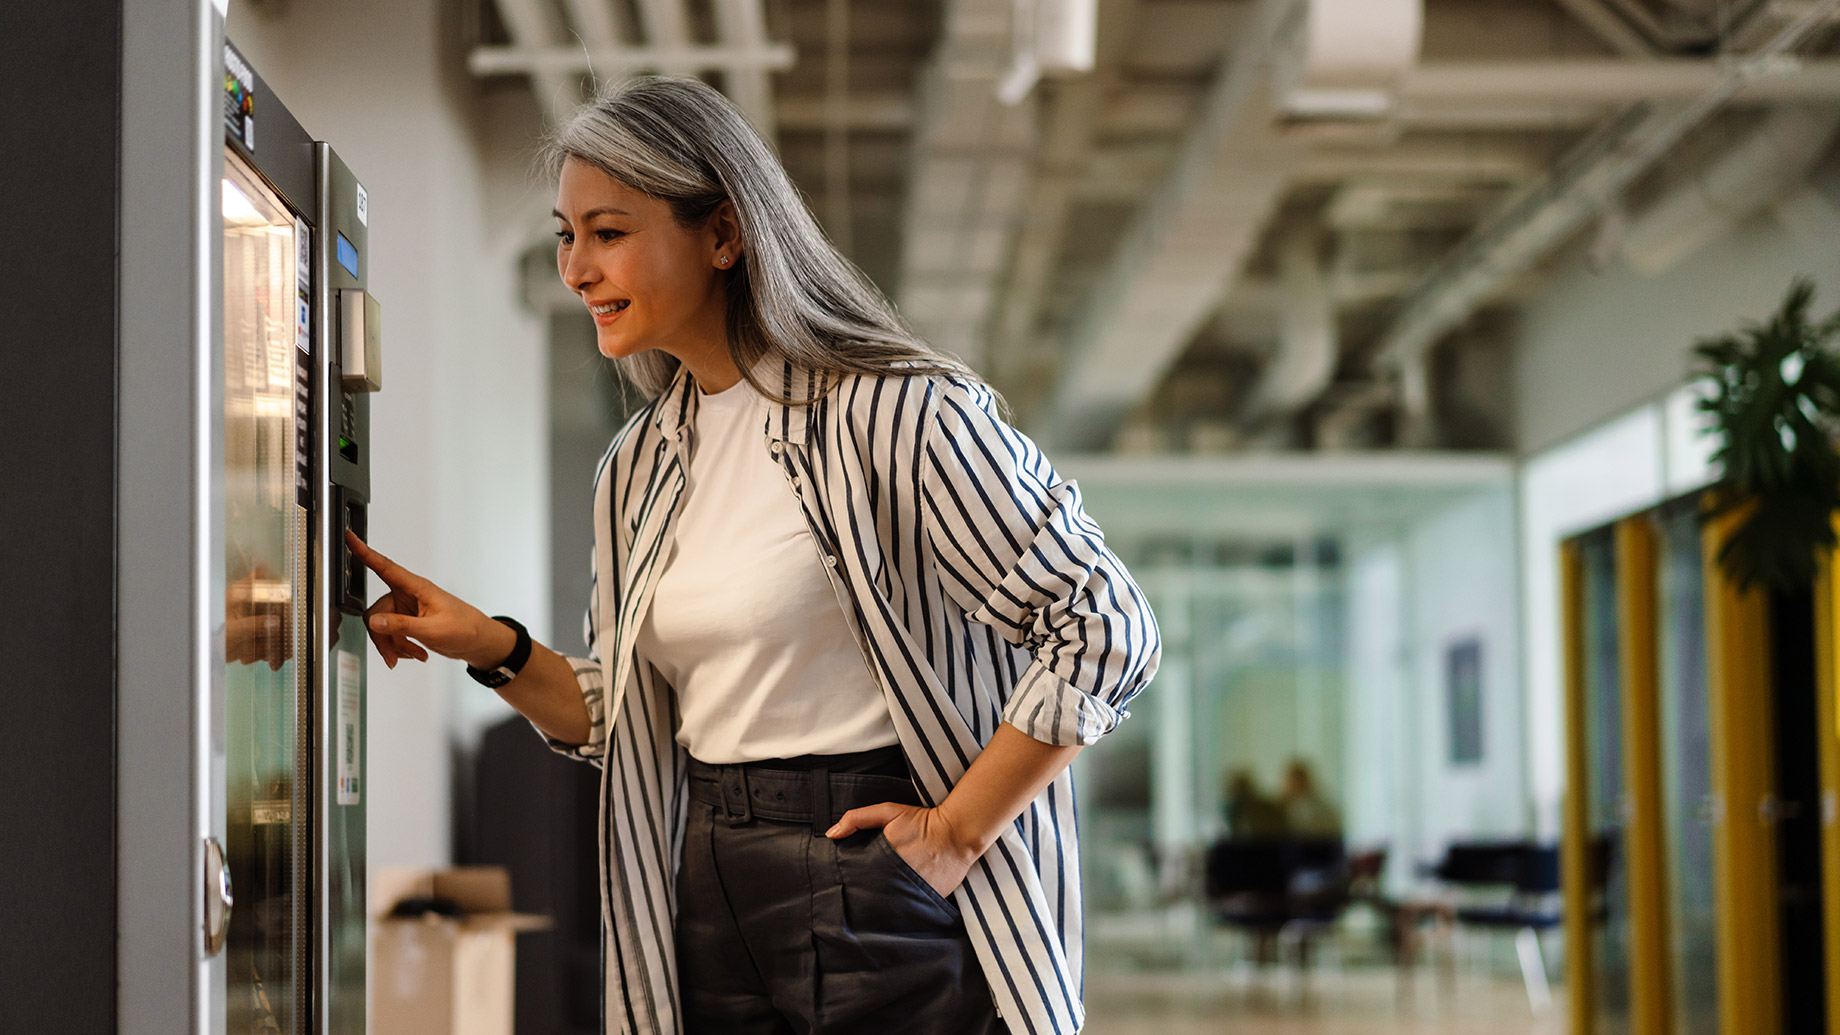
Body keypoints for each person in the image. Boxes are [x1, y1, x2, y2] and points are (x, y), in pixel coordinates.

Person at [348, 75, 1160, 1035]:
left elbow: (1106, 624)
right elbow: (633, 719)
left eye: (608, 233)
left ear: (725, 234)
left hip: (874, 871)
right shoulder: (639, 465)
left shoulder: (895, 413)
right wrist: (488, 643)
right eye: (566, 235)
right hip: (705, 872)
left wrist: (952, 834)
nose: (575, 268)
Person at [1278, 758, 1342, 838]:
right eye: (1293, 780)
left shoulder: (1323, 809)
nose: (1296, 784)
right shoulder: (1279, 808)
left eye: (1299, 780)